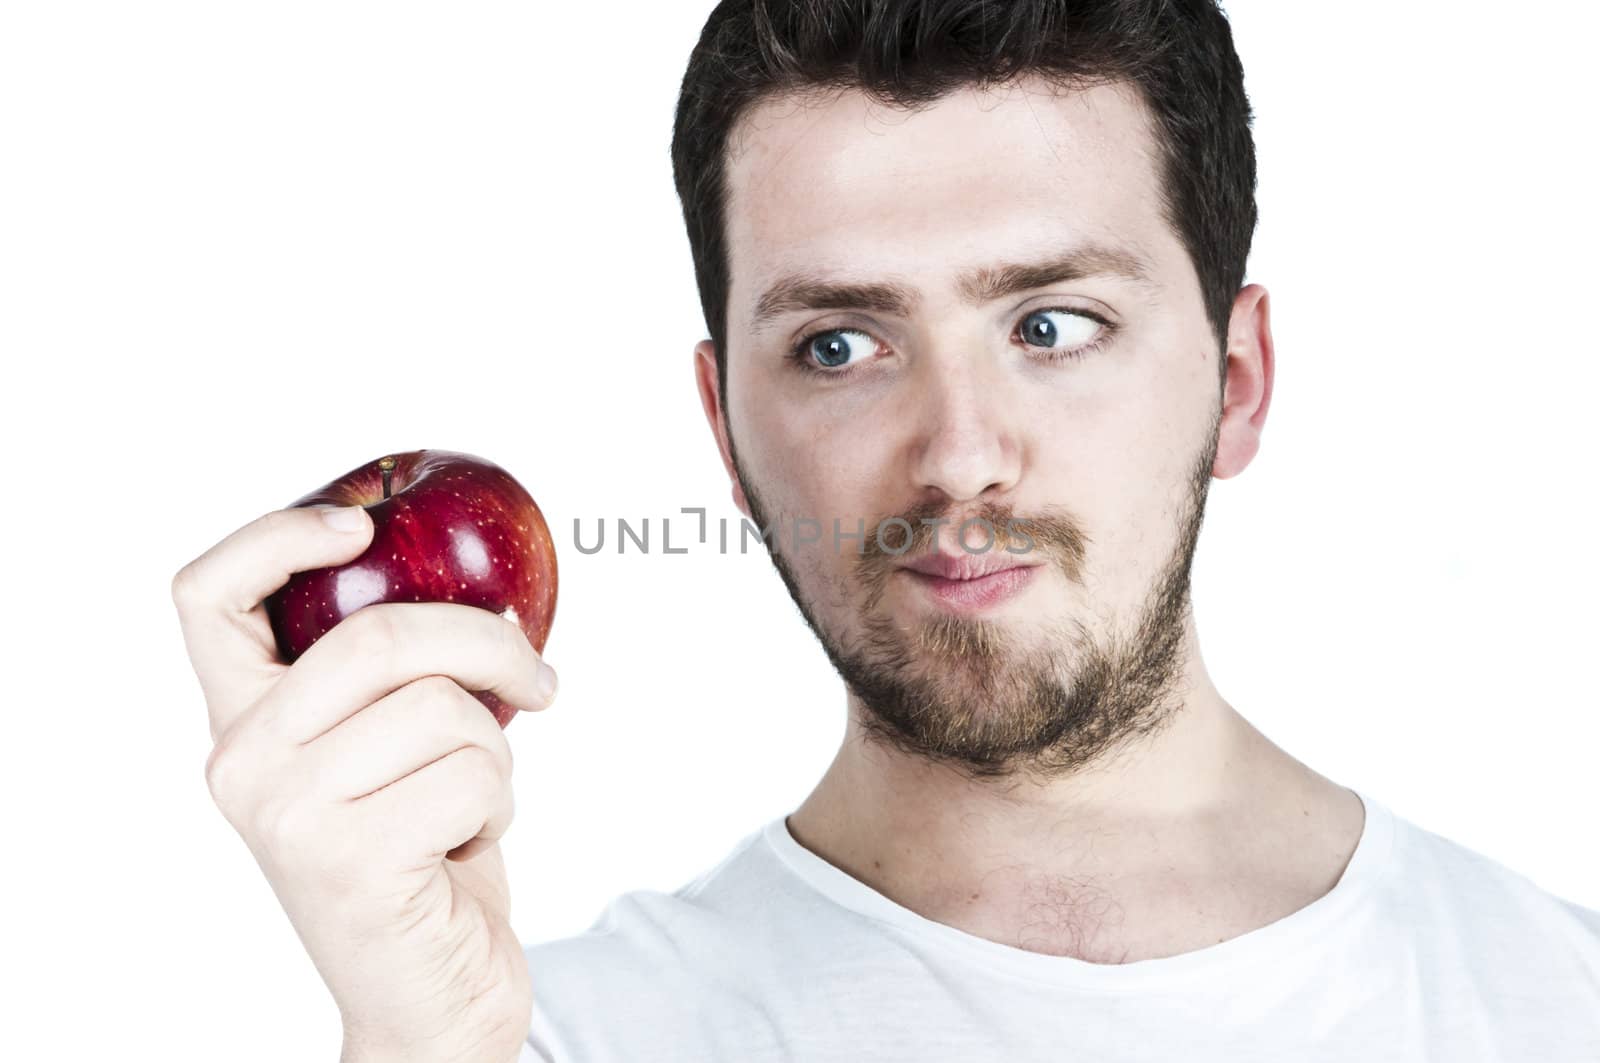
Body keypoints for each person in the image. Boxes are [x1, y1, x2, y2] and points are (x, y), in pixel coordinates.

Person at [170, 1, 1600, 1060]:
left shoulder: (1557, 1003)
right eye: (842, 346)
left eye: (1053, 326)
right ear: (725, 427)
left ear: (1236, 384)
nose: (961, 455)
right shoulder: (532, 1036)